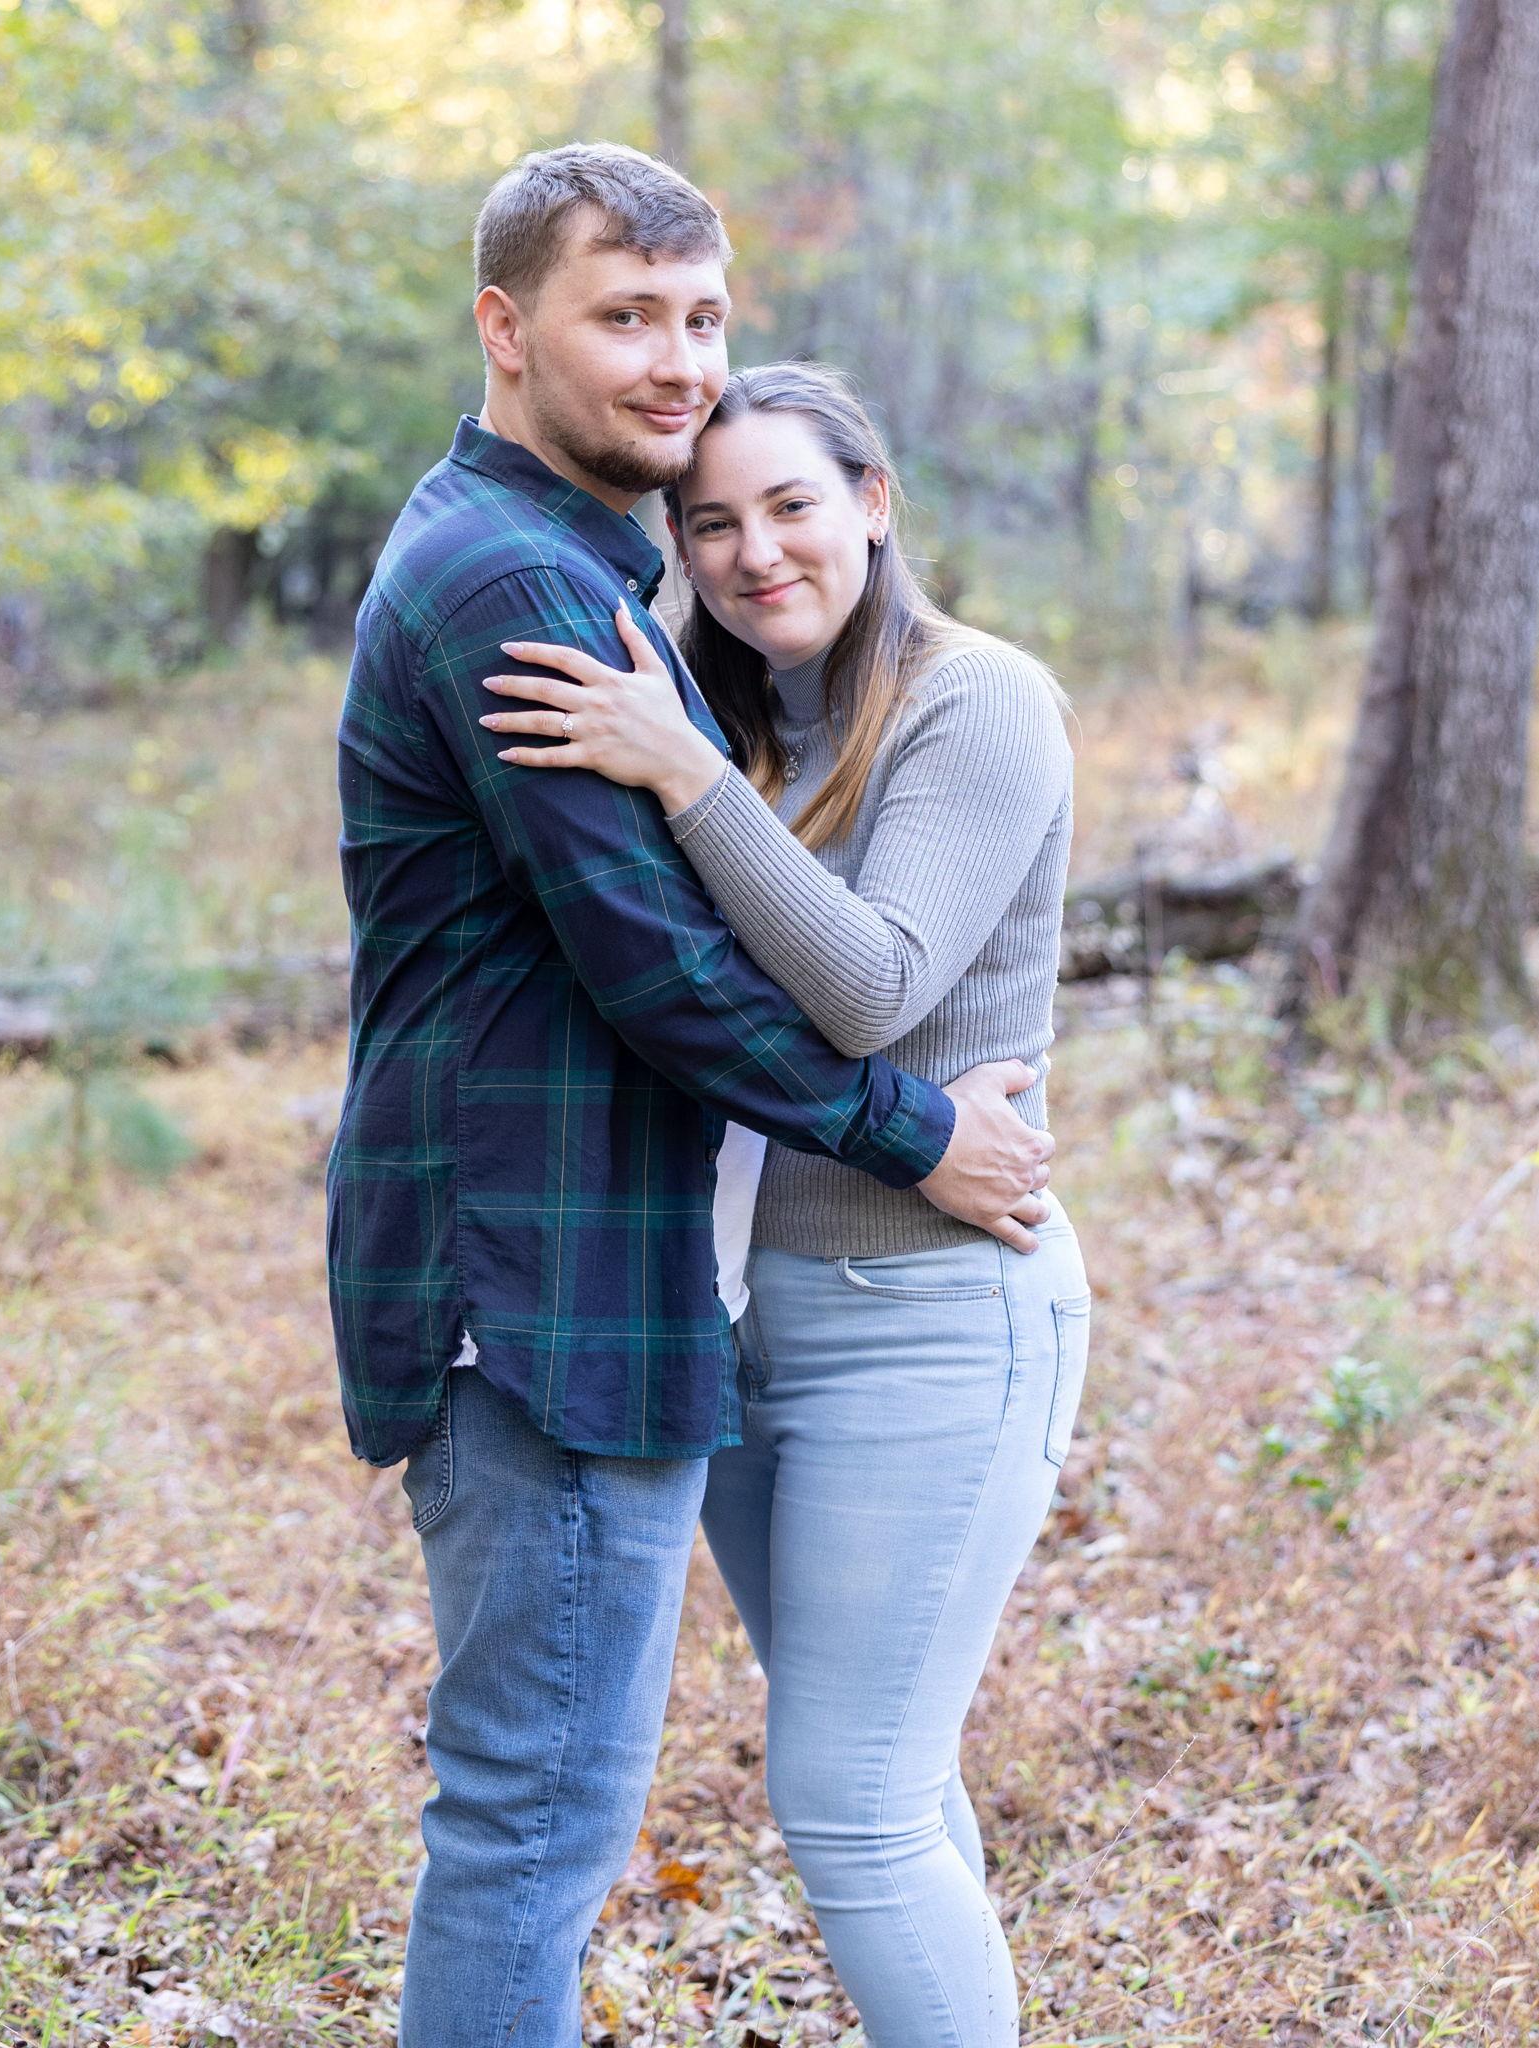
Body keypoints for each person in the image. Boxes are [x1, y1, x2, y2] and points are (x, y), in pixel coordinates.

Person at [326, 146, 1054, 2047]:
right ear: (506, 329)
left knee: (615, 1810)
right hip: (544, 1296)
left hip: (593, 1284)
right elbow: (658, 968)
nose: (677, 360)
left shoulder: (592, 581)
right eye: (626, 315)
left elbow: (789, 943)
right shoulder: (523, 584)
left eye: (703, 316)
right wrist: (920, 1132)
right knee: (531, 1828)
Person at [480, 359, 1087, 2046]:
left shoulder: (978, 701)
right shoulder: (734, 713)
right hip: (745, 1316)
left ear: (874, 503)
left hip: (938, 1308)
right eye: (712, 522)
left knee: (848, 1801)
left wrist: (685, 777)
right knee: (894, 1780)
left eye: (794, 505)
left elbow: (873, 990)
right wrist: (696, 753)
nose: (757, 553)